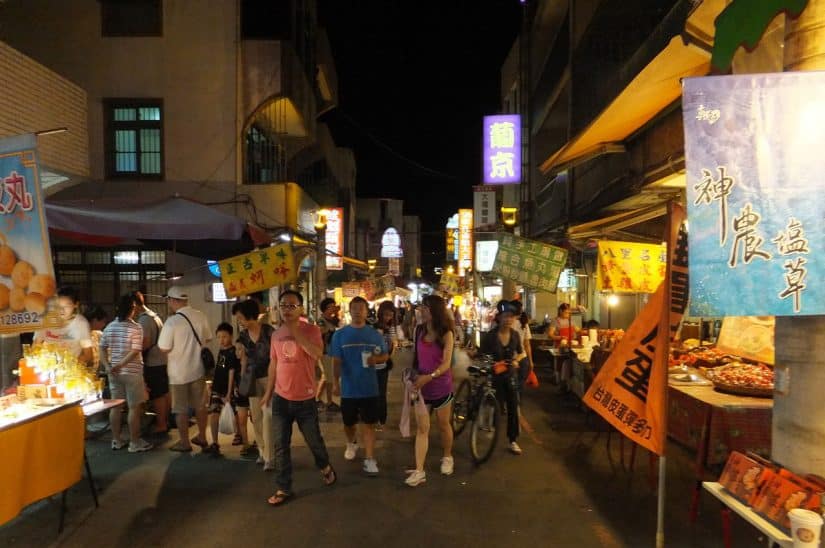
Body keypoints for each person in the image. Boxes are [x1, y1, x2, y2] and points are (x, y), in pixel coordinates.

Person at [260, 290, 336, 506]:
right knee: (280, 445)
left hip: (305, 399)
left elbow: (316, 353)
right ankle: (284, 487)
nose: (287, 309)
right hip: (281, 399)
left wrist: (295, 331)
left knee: (314, 441)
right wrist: (268, 393)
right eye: (283, 305)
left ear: (301, 308)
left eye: (292, 306)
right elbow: (274, 363)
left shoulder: (312, 330)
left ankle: (325, 466)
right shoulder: (275, 335)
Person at [330, 296, 389, 476]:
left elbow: (385, 356)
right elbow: (336, 361)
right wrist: (335, 383)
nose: (357, 311)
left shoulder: (374, 335)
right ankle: (351, 442)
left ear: (366, 311)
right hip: (348, 388)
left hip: (370, 387)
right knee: (349, 422)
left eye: (361, 308)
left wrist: (375, 359)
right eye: (354, 308)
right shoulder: (339, 335)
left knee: (369, 423)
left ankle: (370, 458)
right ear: (350, 310)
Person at [405, 294, 455, 487]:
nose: (421, 311)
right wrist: (413, 376)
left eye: (425, 308)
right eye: (421, 308)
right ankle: (419, 471)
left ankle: (448, 456)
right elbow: (416, 358)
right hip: (421, 389)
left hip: (441, 387)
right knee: (422, 429)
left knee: (444, 425)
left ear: (435, 310)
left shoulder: (446, 333)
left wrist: (430, 376)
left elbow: (446, 364)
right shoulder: (418, 330)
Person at [157, 286, 212, 452]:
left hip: (178, 373)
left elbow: (163, 347)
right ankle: (202, 437)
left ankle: (185, 443)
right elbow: (208, 338)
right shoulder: (200, 315)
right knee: (200, 406)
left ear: (173, 301)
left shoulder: (172, 322)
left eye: (169, 300)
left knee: (180, 408)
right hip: (198, 370)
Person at [100, 293, 153, 453]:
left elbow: (102, 348)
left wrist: (109, 366)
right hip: (132, 372)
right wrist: (121, 364)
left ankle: (116, 440)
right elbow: (136, 351)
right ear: (132, 309)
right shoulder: (136, 327)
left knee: (115, 407)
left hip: (113, 373)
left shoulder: (109, 327)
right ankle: (134, 442)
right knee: (133, 407)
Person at [480, 300, 528, 455]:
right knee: (495, 406)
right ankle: (491, 432)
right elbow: (482, 354)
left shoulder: (514, 335)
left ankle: (513, 440)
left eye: (511, 316)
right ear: (499, 318)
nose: (508, 319)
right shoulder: (490, 336)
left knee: (513, 407)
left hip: (510, 376)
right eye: (505, 316)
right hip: (494, 377)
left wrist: (516, 360)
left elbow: (521, 353)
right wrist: (488, 364)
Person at [233, 298, 275, 469]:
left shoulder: (269, 332)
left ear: (251, 316)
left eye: (241, 318)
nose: (239, 322)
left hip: (269, 378)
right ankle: (262, 451)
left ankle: (269, 456)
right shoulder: (242, 337)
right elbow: (242, 361)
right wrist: (242, 382)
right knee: (256, 417)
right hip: (252, 378)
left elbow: (275, 358)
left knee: (269, 417)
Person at [133, 290, 170, 434]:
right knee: (164, 392)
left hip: (153, 361)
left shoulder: (144, 320)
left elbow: (146, 343)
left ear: (134, 305)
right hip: (161, 359)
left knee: (157, 394)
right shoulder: (154, 315)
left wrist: (134, 353)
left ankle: (161, 424)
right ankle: (165, 421)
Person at [203, 322, 240, 455]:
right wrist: (212, 382)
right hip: (217, 387)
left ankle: (239, 434)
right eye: (219, 337)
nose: (221, 340)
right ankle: (215, 442)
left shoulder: (233, 352)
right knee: (213, 413)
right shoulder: (221, 351)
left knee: (236, 413)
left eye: (224, 337)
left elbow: (231, 371)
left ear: (231, 336)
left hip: (228, 388)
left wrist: (229, 392)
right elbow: (220, 370)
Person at [33, 286, 93, 366]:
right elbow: (36, 346)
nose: (61, 310)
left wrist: (68, 365)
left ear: (75, 305)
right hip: (47, 368)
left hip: (70, 371)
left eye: (67, 306)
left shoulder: (81, 324)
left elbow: (88, 355)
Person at [373, 300, 397, 430]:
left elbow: (393, 344)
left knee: (381, 393)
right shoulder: (373, 326)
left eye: (391, 315)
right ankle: (372, 417)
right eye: (386, 314)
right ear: (381, 313)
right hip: (372, 363)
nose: (388, 317)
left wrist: (389, 356)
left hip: (384, 364)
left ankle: (381, 420)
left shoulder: (391, 328)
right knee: (372, 392)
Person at [316, 297, 341, 412]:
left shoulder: (331, 320)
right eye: (331, 307)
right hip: (323, 352)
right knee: (328, 377)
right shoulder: (321, 321)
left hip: (330, 351)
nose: (333, 308)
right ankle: (329, 402)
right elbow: (320, 332)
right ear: (325, 309)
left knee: (326, 376)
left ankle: (317, 399)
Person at [547, 303, 577, 390]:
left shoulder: (571, 320)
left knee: (570, 366)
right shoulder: (555, 321)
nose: (568, 314)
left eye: (569, 313)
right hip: (559, 347)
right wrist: (560, 337)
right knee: (560, 367)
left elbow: (577, 330)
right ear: (560, 311)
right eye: (566, 312)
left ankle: (569, 386)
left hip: (570, 346)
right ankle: (561, 385)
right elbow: (550, 335)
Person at [510, 300, 535, 377]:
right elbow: (527, 344)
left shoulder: (507, 323)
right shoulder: (524, 323)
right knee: (520, 385)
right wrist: (531, 361)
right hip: (522, 358)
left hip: (510, 359)